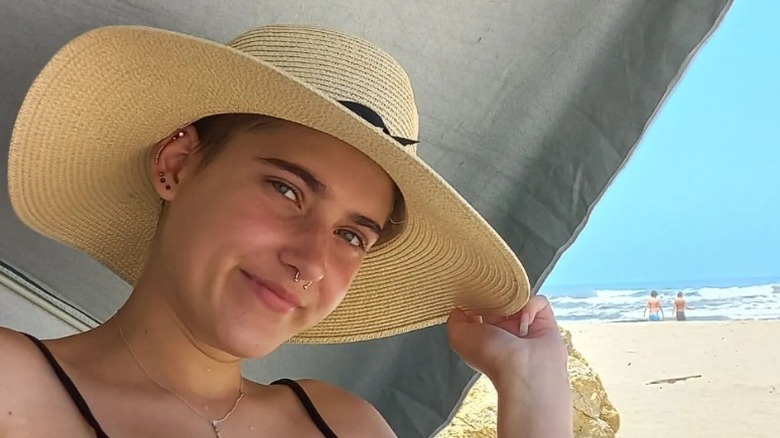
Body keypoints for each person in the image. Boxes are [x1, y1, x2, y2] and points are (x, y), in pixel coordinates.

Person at [0, 24, 573, 437]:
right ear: (175, 165)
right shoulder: (11, 385)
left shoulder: (343, 425)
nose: (311, 261)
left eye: (352, 235)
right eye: (286, 189)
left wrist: (531, 392)